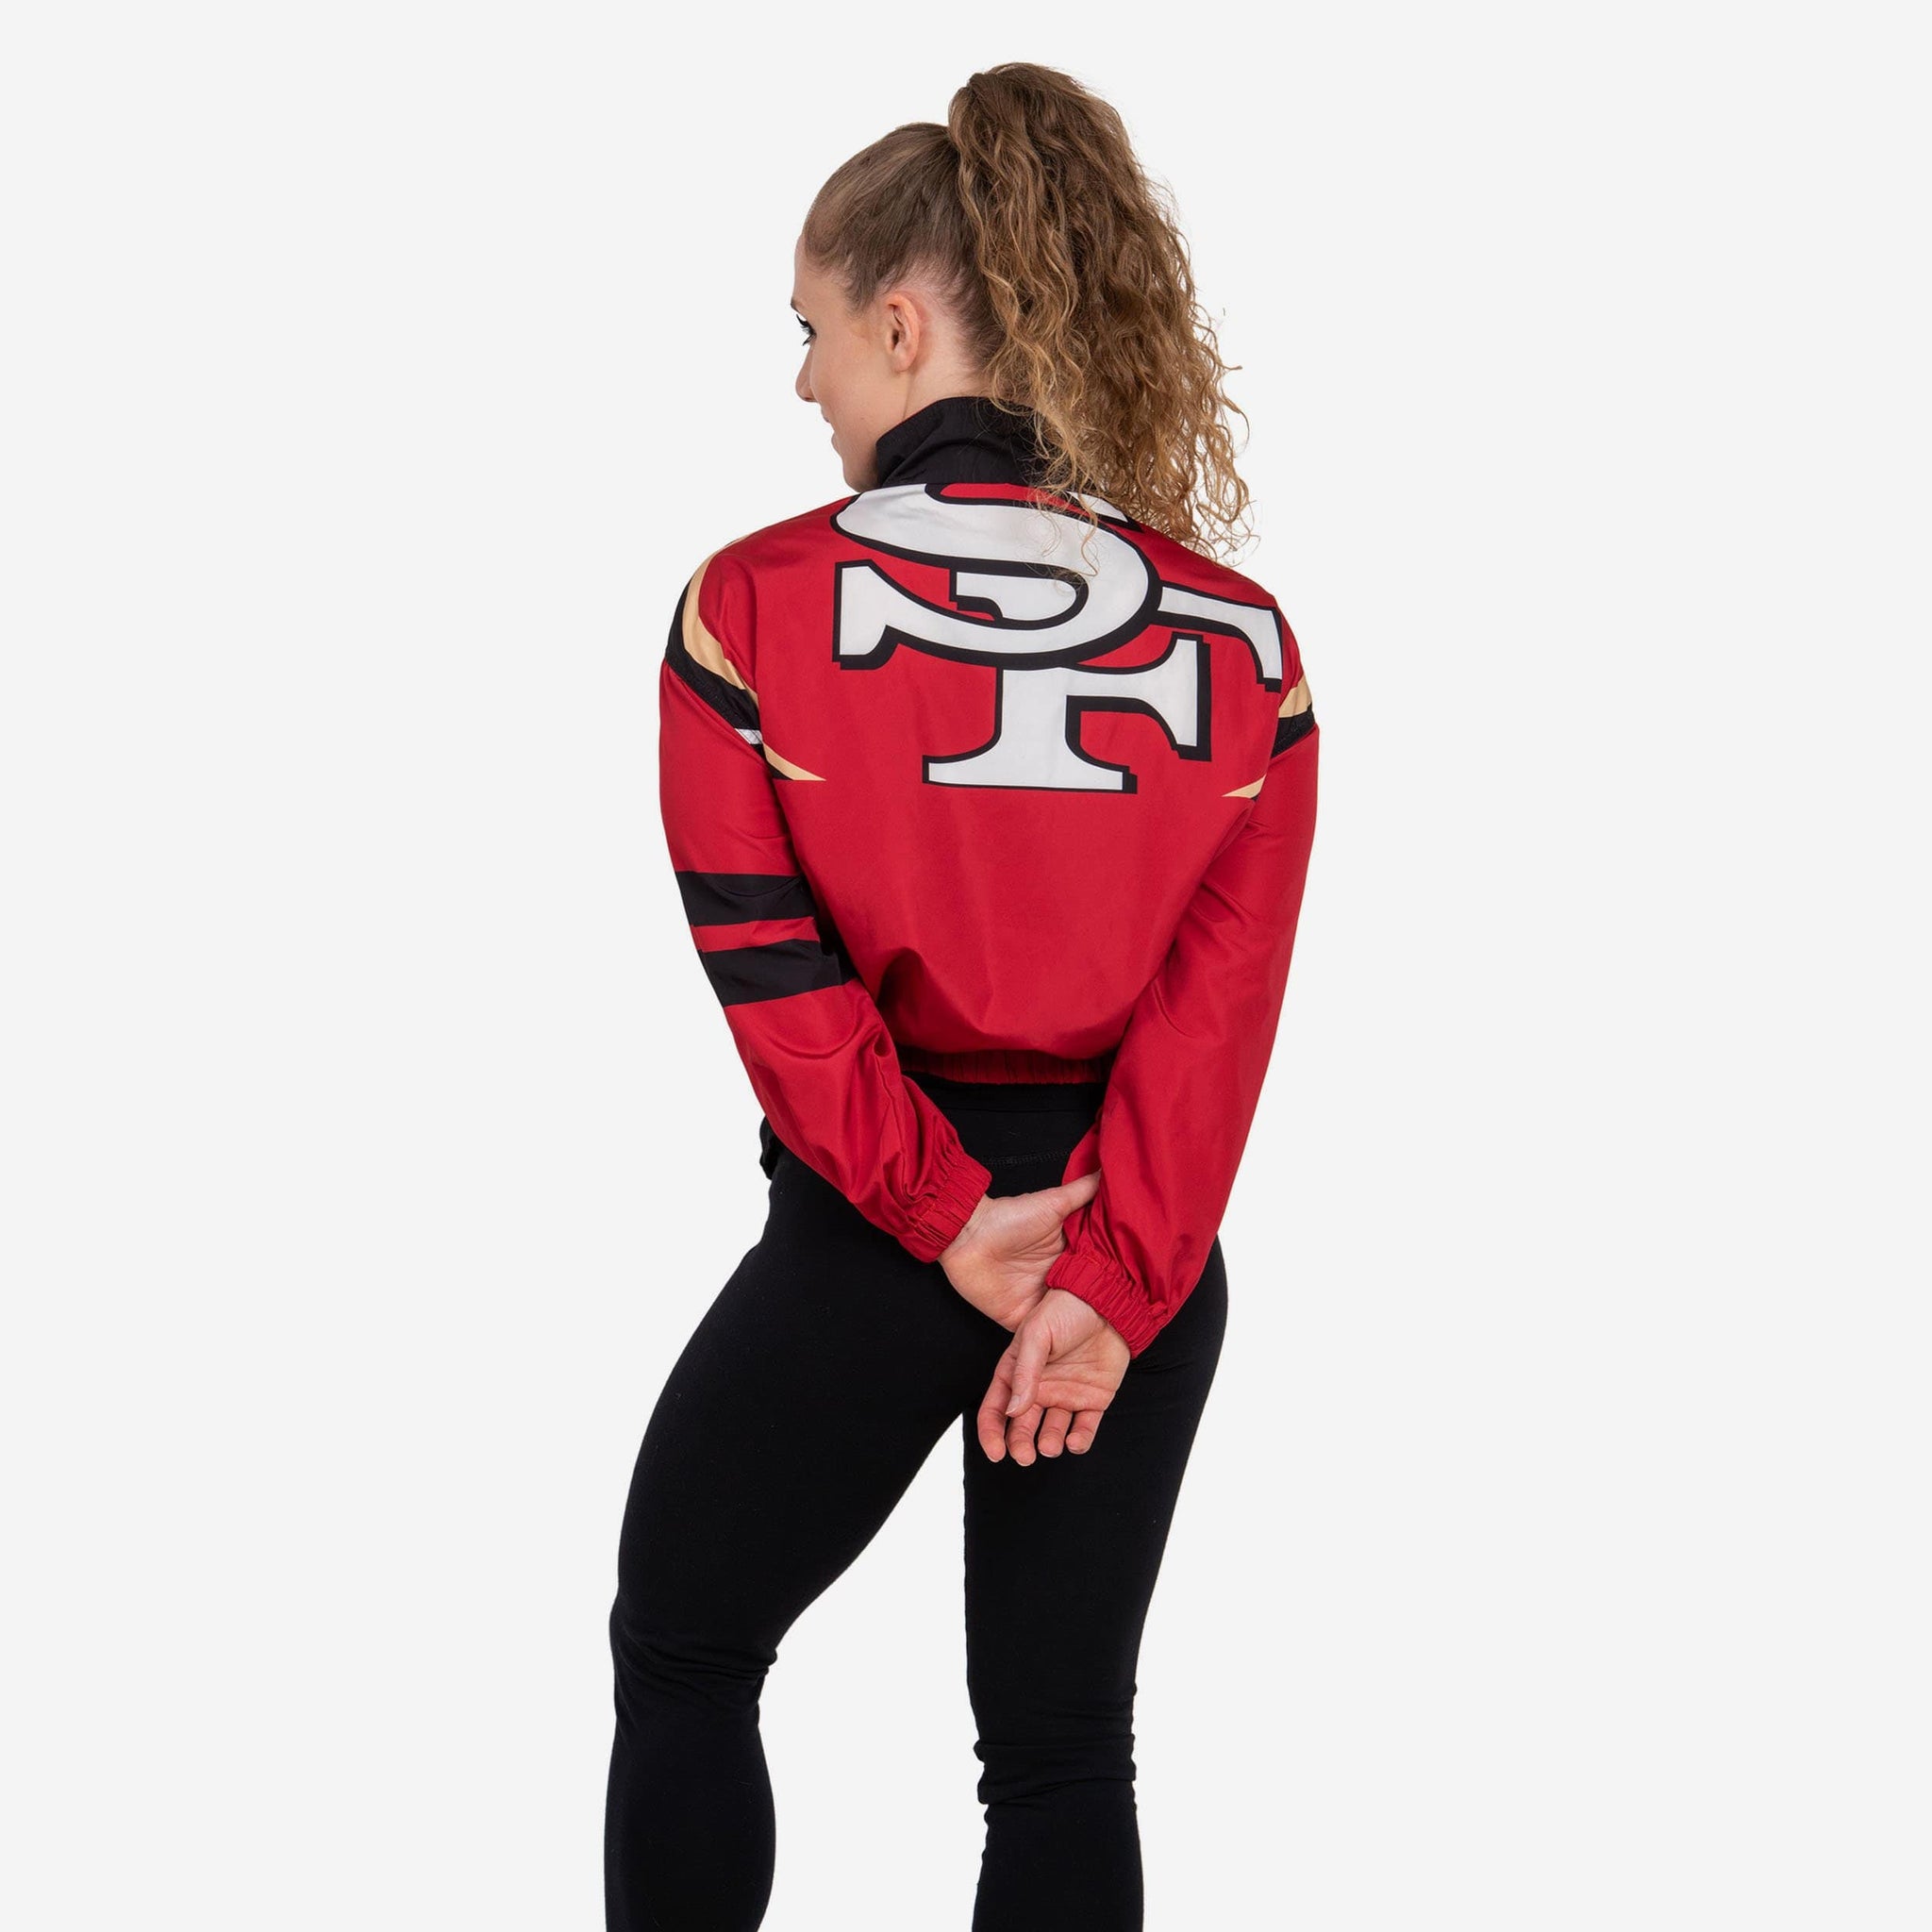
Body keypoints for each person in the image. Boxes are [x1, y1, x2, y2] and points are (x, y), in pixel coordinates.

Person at [606, 61, 1321, 1932]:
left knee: (686, 1649)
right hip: (1121, 1255)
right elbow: (1219, 1014)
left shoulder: (749, 606)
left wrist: (940, 1219)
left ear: (905, 324)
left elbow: (772, 969)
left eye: (814, 330)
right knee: (1065, 1747)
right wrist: (1117, 1276)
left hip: (873, 1237)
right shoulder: (1242, 640)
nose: (805, 383)